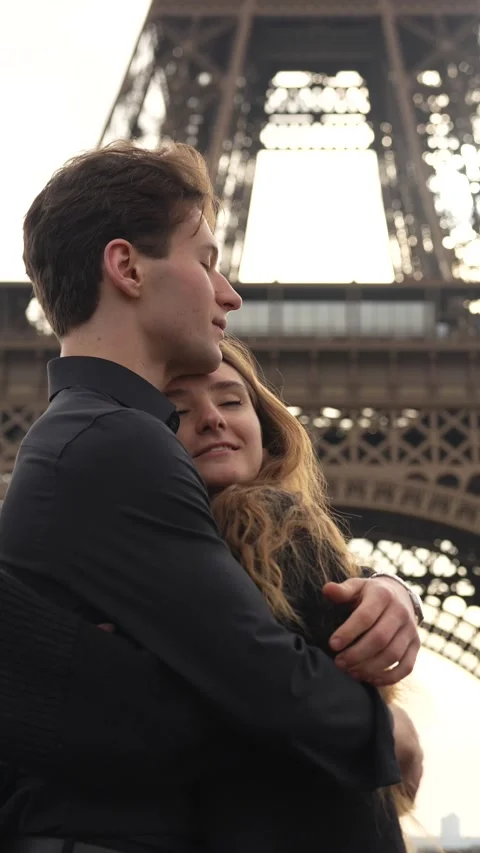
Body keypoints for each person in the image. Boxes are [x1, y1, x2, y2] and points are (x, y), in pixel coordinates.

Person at [0, 141, 421, 853]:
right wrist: (392, 735)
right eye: (205, 260)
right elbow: (260, 678)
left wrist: (390, 589)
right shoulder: (115, 442)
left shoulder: (94, 439)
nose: (229, 294)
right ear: (127, 267)